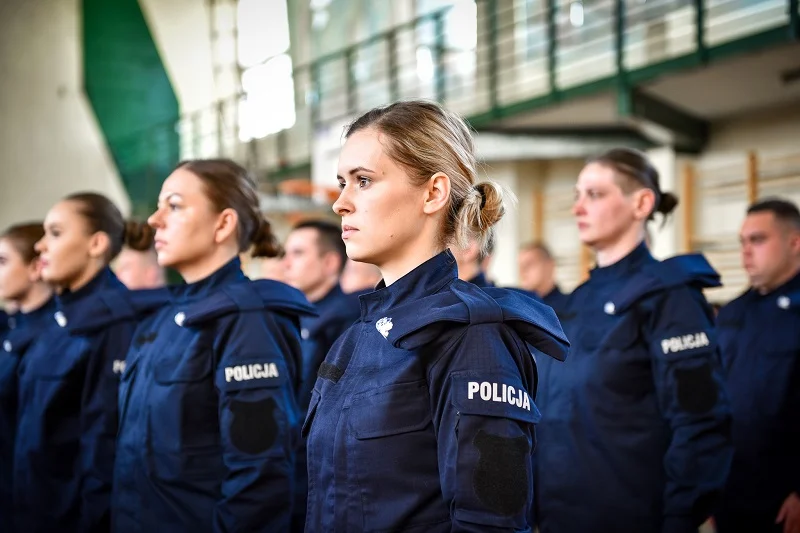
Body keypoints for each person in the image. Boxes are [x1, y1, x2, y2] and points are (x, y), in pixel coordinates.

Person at [303, 100, 569, 532]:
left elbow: (489, 523)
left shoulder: (471, 337)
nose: (341, 204)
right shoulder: (356, 337)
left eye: (363, 181)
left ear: (433, 193)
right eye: (342, 183)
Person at [534, 147, 733, 533]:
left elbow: (701, 420)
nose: (577, 208)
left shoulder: (670, 298)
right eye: (577, 195)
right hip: (561, 516)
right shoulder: (575, 303)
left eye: (594, 195)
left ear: (641, 203)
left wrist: (679, 518)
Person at [112, 158, 316, 533]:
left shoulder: (246, 321)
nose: (155, 220)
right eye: (158, 207)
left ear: (222, 224)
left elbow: (259, 477)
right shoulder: (162, 320)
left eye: (174, 206)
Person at [12, 193, 162, 533]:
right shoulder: (62, 317)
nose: (40, 246)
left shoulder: (113, 322)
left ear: (96, 244)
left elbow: (106, 451)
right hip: (35, 512)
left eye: (55, 233)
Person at [714, 198, 800, 533]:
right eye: (743, 242)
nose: (746, 252)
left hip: (784, 498)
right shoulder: (732, 314)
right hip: (732, 487)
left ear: (794, 243)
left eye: (758, 240)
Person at [282, 218, 361, 532]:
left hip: (320, 474)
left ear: (330, 262)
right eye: (286, 253)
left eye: (298, 253)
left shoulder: (347, 320)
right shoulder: (294, 315)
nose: (286, 263)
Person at [0, 222, 55, 532]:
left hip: (35, 504)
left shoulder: (54, 334)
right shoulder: (11, 327)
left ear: (35, 267)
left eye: (3, 261)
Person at [518, 242, 569, 314]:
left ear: (549, 265)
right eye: (521, 266)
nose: (523, 270)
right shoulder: (519, 308)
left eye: (529, 264)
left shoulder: (570, 307)